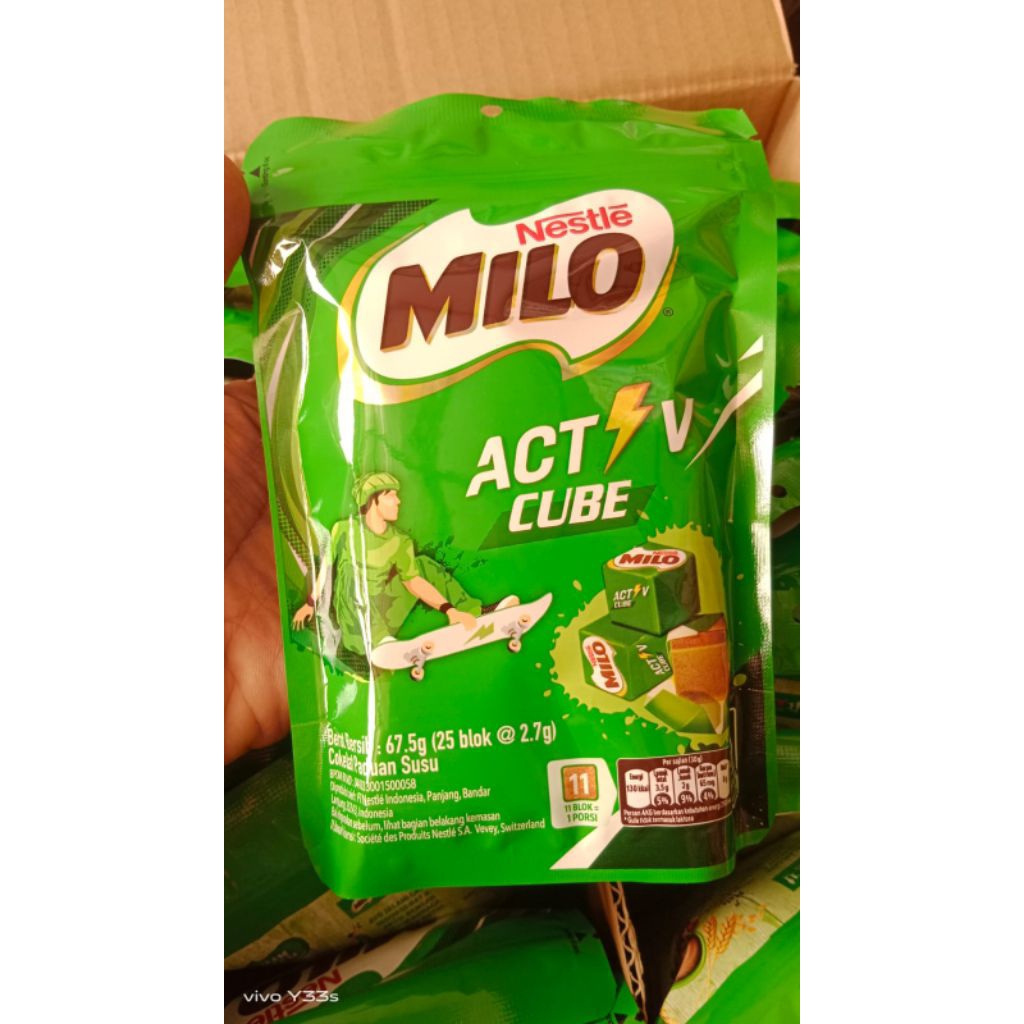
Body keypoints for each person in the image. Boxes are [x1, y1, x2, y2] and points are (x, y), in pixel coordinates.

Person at [292, 472, 516, 657]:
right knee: (350, 571)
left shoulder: (400, 541)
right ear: (374, 500)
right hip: (356, 624)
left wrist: (449, 609)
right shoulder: (344, 530)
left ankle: (472, 612)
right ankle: (378, 640)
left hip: (383, 611)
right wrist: (311, 604)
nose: (398, 501)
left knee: (422, 564)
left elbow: (413, 582)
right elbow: (327, 569)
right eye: (391, 496)